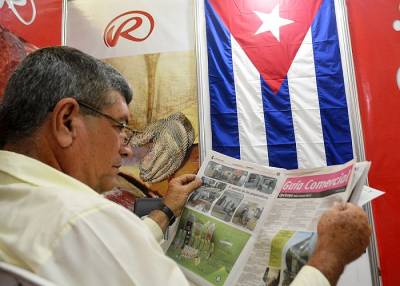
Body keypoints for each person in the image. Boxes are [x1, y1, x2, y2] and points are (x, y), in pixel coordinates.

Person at [0, 46, 370, 286]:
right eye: (119, 127)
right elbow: (96, 240)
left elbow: (101, 259)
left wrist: (166, 210)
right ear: (67, 121)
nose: (126, 150)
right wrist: (327, 259)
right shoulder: (84, 220)